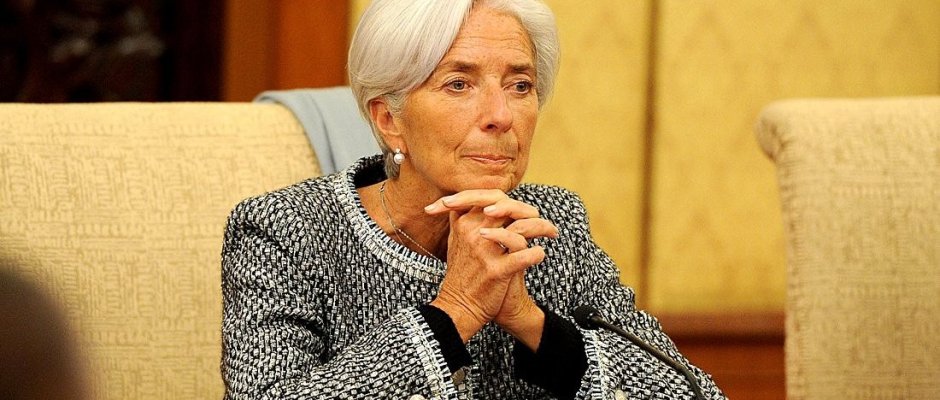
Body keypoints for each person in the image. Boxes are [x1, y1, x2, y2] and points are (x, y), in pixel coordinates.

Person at [221, 1, 726, 399]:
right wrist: (453, 312)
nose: (500, 115)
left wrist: (533, 322)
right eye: (459, 84)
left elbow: (695, 394)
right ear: (389, 119)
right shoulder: (284, 230)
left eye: (520, 85)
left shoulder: (553, 225)